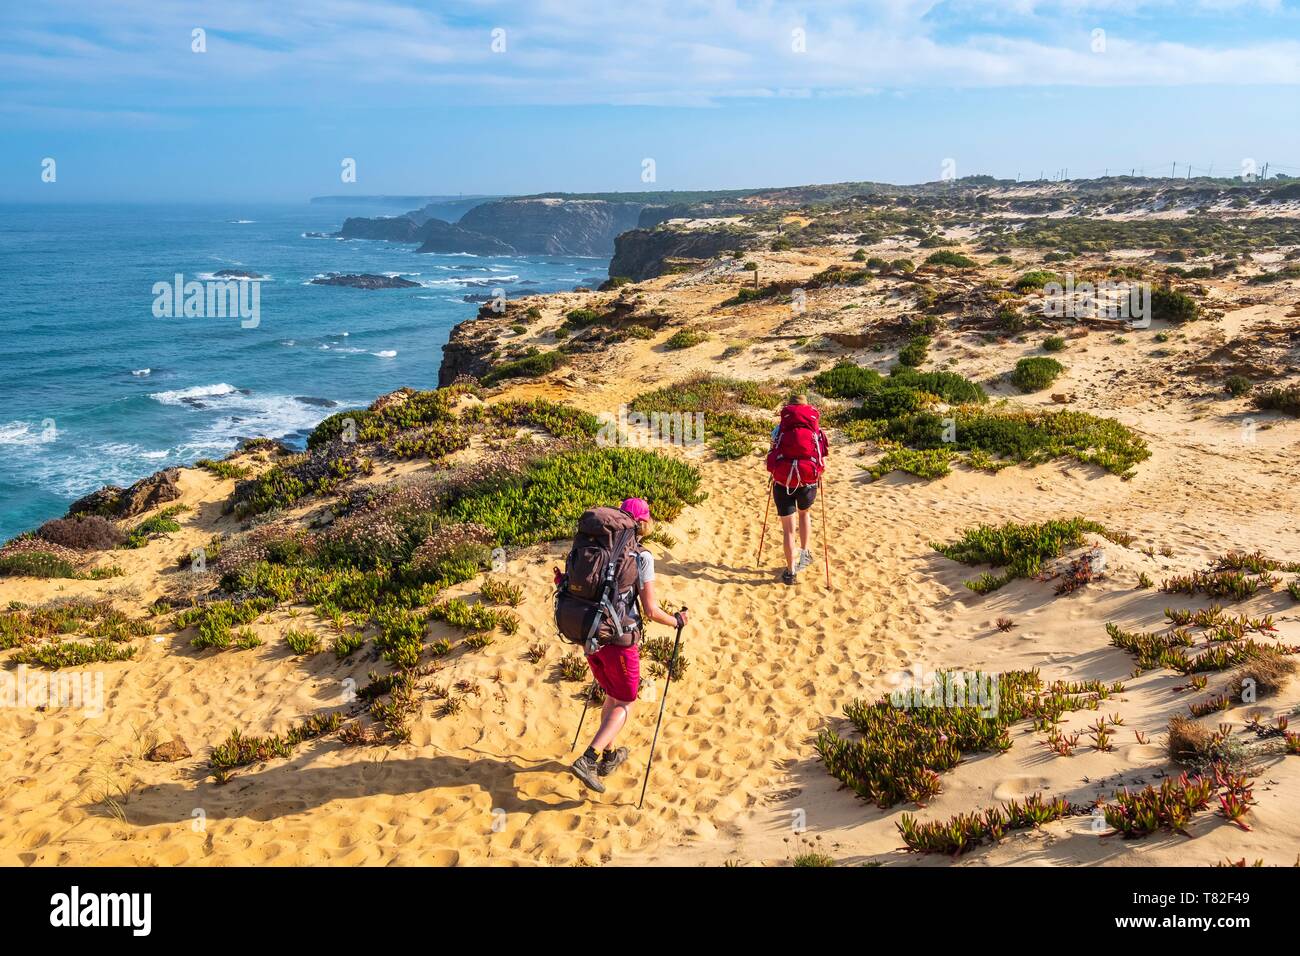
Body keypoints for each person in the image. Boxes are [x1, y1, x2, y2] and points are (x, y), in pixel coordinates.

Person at [571, 497, 687, 794]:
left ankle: (609, 756)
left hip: (590, 636)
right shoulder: (641, 556)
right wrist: (676, 621)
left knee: (612, 695)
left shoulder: (596, 548)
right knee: (626, 700)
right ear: (643, 523)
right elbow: (650, 609)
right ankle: (588, 758)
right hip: (620, 640)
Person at [765, 393, 828, 586]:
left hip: (782, 482)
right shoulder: (816, 431)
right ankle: (805, 553)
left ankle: (791, 571)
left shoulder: (778, 430)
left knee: (788, 531)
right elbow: (822, 459)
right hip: (807, 482)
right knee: (804, 514)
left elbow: (771, 455)